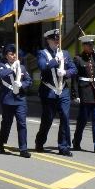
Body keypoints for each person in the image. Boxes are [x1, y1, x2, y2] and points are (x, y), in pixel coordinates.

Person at [34, 29, 77, 157]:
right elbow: (42, 67)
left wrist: (66, 73)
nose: (57, 41)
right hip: (49, 91)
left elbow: (73, 69)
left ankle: (63, 146)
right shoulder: (42, 53)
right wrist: (55, 61)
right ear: (48, 40)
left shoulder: (65, 53)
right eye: (54, 39)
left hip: (63, 90)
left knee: (64, 117)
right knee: (47, 119)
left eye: (58, 39)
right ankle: (40, 141)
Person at [0, 44, 32, 158]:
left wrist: (22, 84)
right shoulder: (2, 65)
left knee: (22, 123)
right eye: (11, 54)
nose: (14, 56)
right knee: (6, 123)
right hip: (8, 99)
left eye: (15, 54)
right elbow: (1, 74)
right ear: (6, 55)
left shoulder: (22, 67)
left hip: (20, 99)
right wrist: (12, 68)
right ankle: (1, 143)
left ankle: (23, 149)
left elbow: (29, 81)